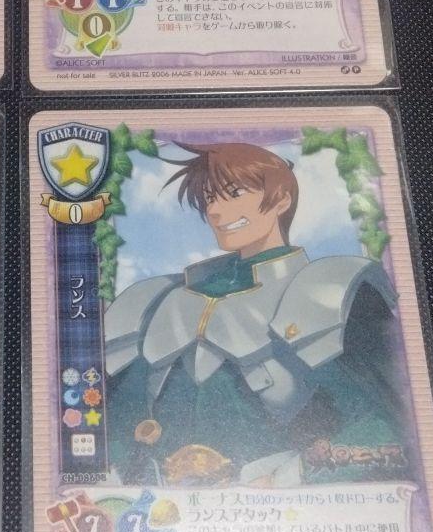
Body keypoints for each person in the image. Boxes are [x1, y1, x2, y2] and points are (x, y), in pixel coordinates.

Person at [103, 142, 409, 487]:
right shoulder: (156, 298)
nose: (215, 211)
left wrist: (295, 473)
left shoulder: (335, 289)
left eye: (233, 193)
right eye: (210, 198)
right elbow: (112, 416)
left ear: (281, 200)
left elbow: (396, 420)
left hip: (288, 500)